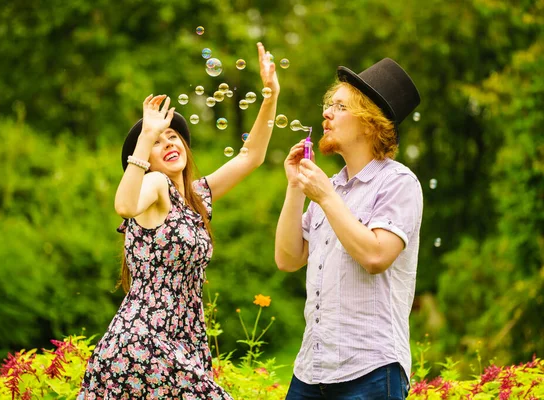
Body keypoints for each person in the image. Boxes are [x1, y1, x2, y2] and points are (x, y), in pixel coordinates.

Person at [78, 42, 279, 399]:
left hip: (182, 341)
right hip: (142, 345)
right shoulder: (154, 185)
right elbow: (124, 206)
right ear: (146, 159)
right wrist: (145, 138)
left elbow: (252, 156)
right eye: (159, 141)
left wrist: (270, 96)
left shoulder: (196, 197)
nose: (169, 143)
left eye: (174, 136)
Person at [275, 58, 423, 399]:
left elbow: (375, 256)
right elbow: (288, 258)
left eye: (340, 107)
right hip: (311, 371)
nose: (326, 113)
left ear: (370, 123)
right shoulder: (331, 188)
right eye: (329, 105)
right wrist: (295, 188)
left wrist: (325, 197)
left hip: (371, 371)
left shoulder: (398, 182)